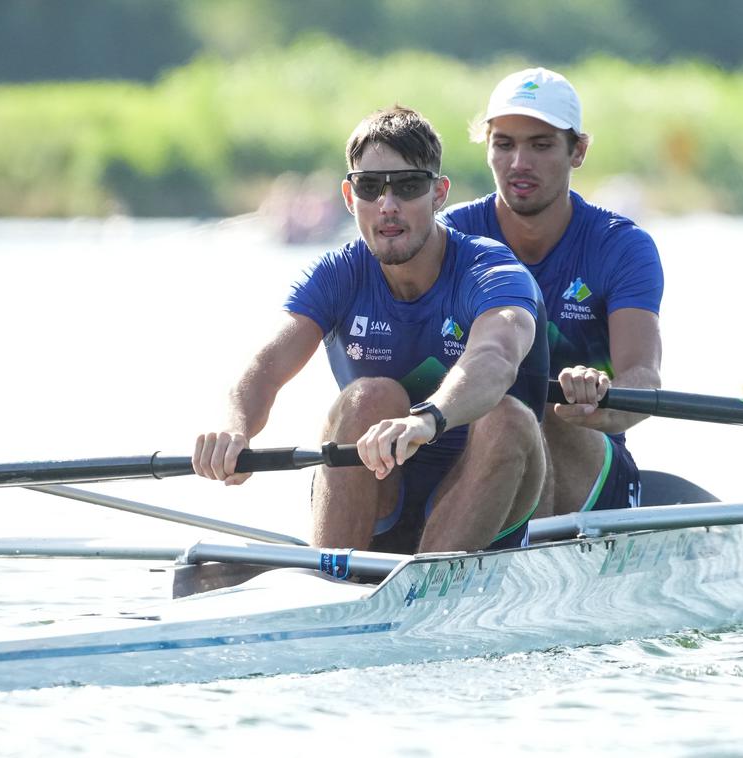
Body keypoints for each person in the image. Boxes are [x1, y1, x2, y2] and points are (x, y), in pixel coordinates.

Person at [194, 106, 549, 554]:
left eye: (408, 186)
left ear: (439, 194)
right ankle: (331, 581)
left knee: (508, 417)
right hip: (379, 490)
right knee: (370, 398)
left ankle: (428, 579)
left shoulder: (491, 269)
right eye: (369, 187)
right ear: (349, 195)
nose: (388, 205)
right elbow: (265, 366)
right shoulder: (338, 274)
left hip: (484, 499)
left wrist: (427, 420)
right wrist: (234, 429)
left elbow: (494, 357)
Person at [443, 67, 714, 517]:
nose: (518, 164)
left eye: (541, 145)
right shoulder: (452, 236)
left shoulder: (621, 246)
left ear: (579, 151)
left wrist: (598, 402)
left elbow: (643, 377)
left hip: (588, 471)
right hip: (465, 458)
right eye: (504, 144)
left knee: (533, 403)